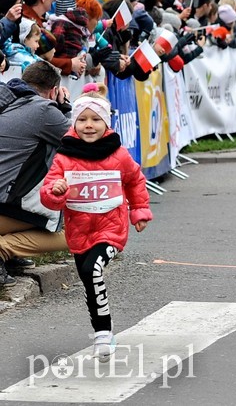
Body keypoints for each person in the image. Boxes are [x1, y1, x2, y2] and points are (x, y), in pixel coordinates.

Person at [40, 83, 152, 361]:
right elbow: (49, 192)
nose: (89, 125)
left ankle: (102, 334)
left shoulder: (119, 154)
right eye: (82, 119)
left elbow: (135, 180)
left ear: (106, 123)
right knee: (89, 280)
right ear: (74, 123)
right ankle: (104, 331)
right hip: (79, 231)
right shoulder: (65, 156)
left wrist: (139, 210)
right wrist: (56, 192)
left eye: (96, 119)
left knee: (93, 269)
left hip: (111, 229)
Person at [0, 61, 71, 286]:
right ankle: (4, 249)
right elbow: (79, 141)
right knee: (79, 235)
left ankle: (11, 253)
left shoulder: (8, 99)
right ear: (53, 91)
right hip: (4, 205)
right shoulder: (43, 109)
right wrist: (64, 107)